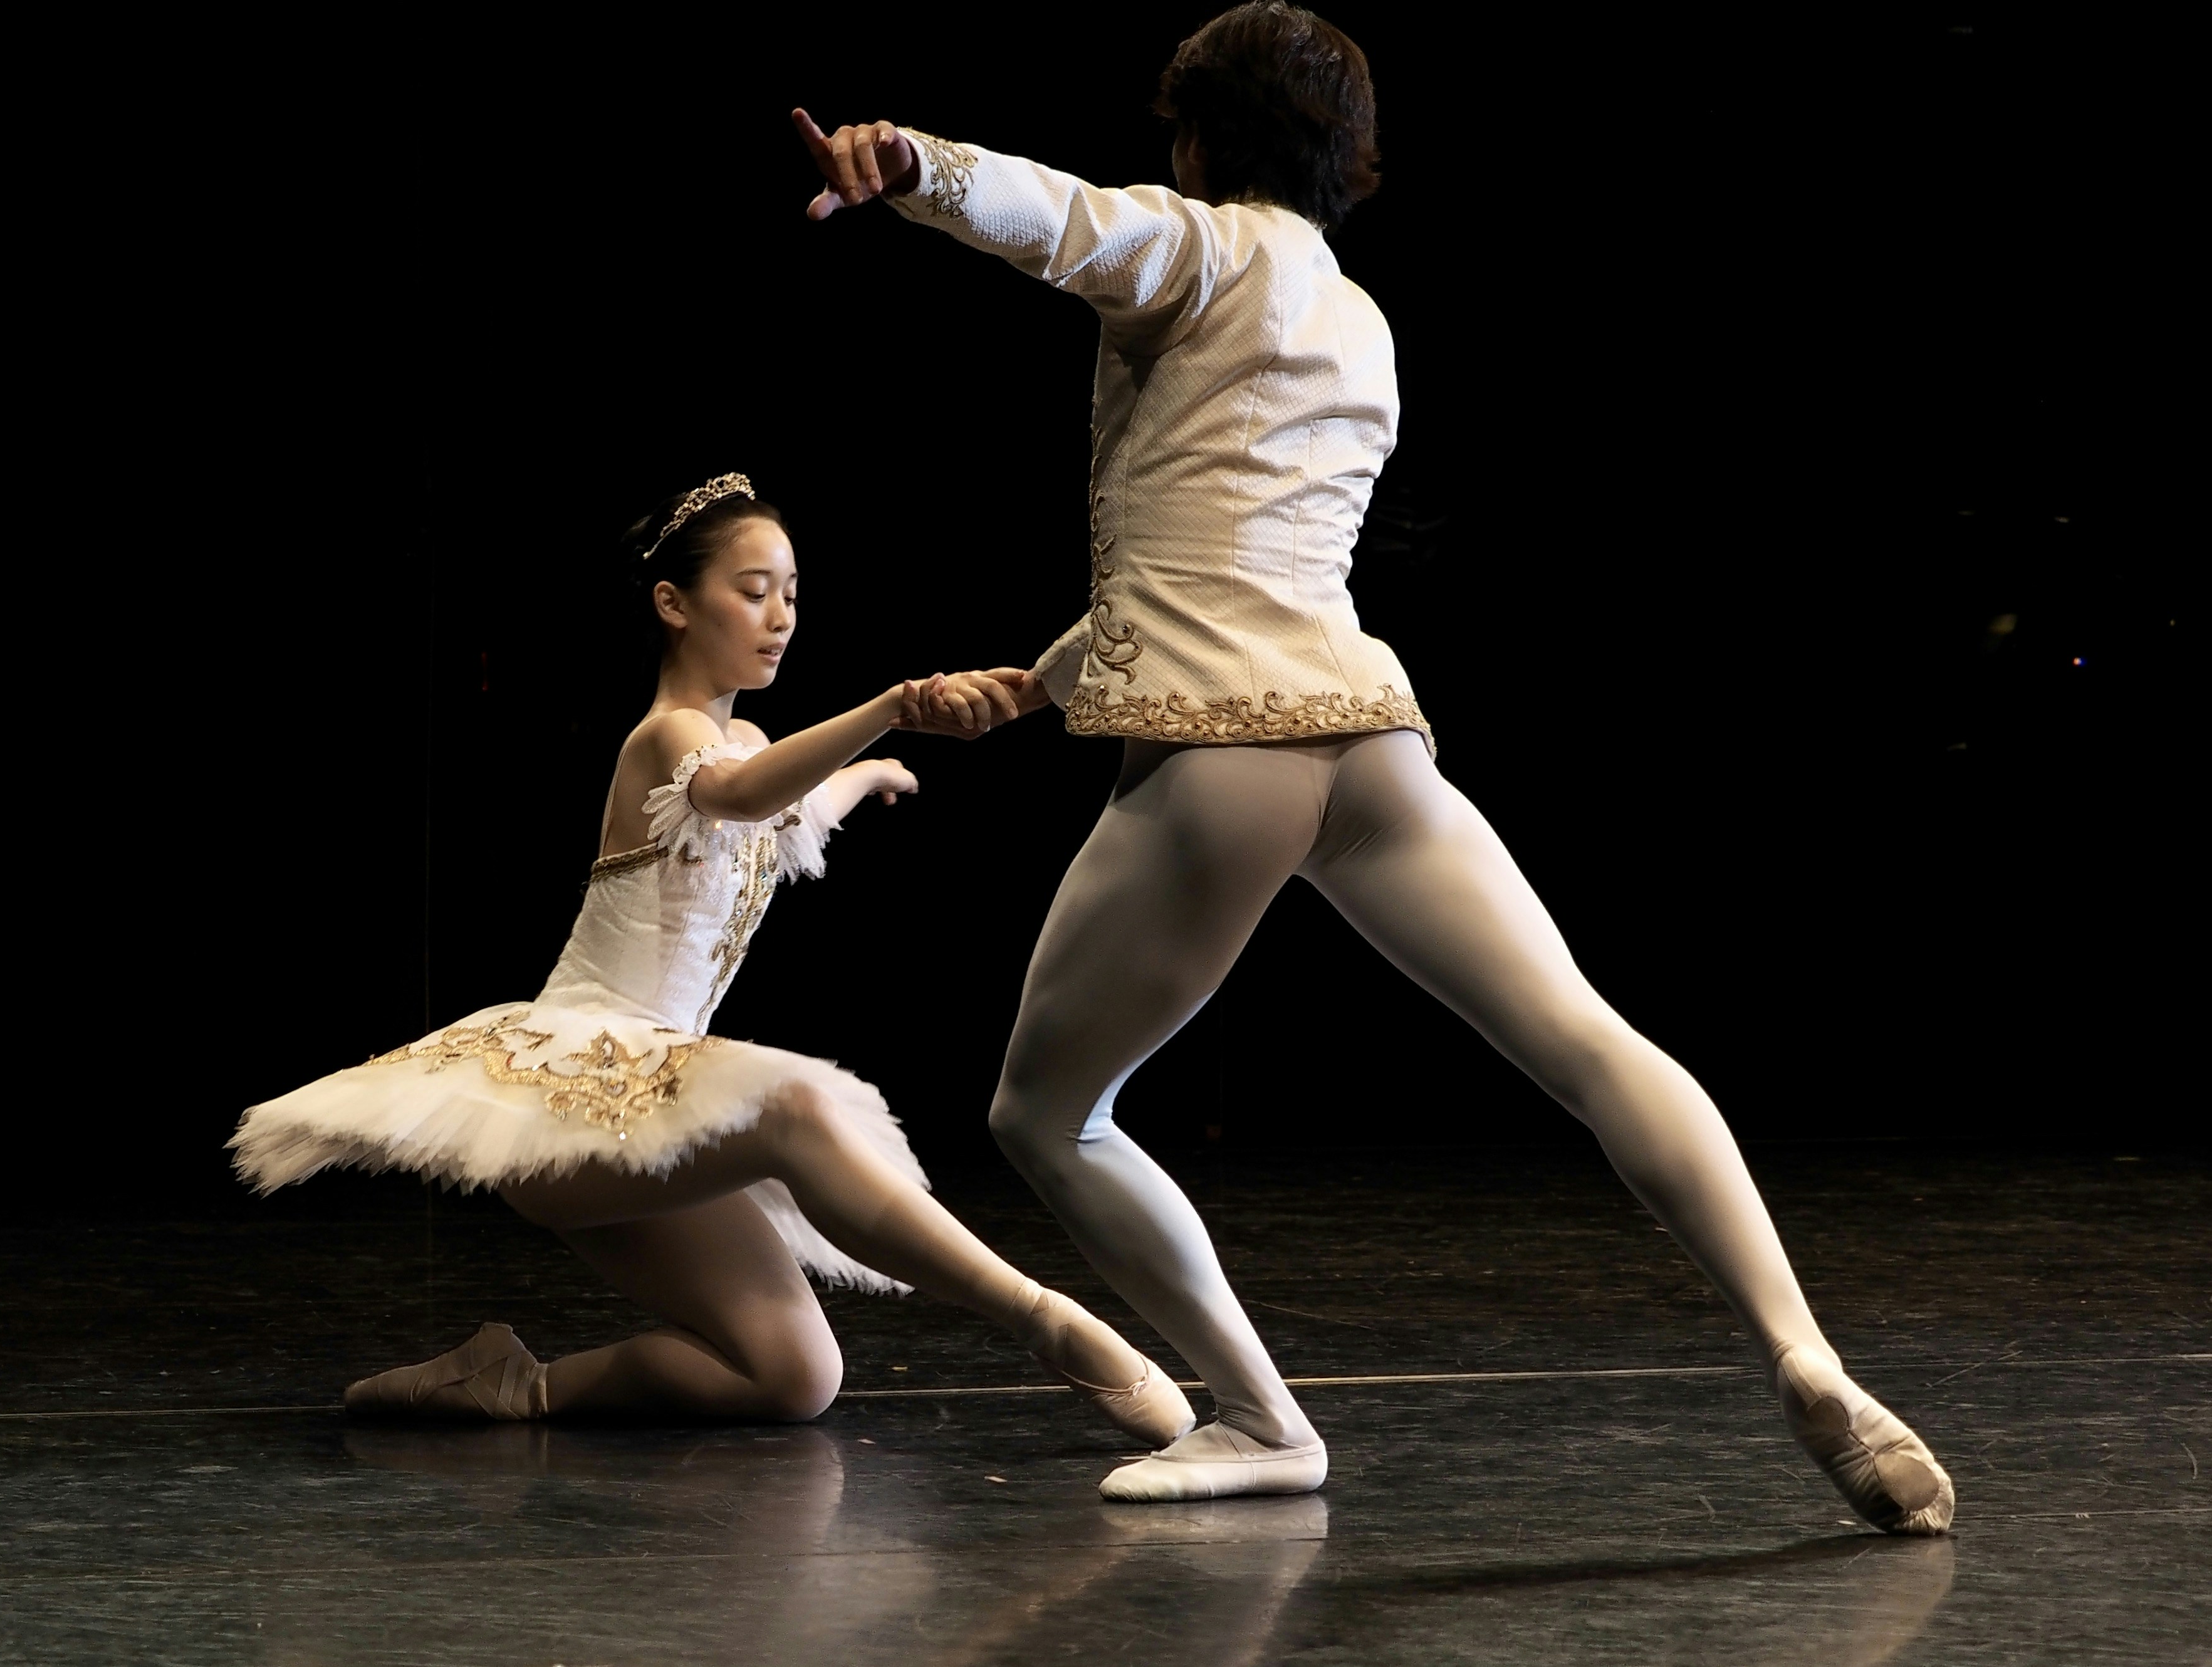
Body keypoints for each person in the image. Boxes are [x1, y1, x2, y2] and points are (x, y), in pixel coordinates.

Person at [793, 1, 1955, 1531]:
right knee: (1590, 1041)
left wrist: (909, 166)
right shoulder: (1357, 318)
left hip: (1224, 754)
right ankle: (1803, 1348)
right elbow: (1236, 556)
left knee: (1041, 1114)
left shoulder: (1198, 247)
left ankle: (1262, 1417)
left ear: (1200, 140)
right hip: (1368, 742)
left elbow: (1057, 219)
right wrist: (1042, 684)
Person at [229, 473, 1193, 1446]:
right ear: (674, 603)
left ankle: (509, 1387)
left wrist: (868, 775)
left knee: (793, 1375)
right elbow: (737, 795)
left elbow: (787, 812)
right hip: (575, 1093)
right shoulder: (669, 738)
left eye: (792, 595)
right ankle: (1051, 1322)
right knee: (796, 1106)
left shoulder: (743, 743)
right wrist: (890, 710)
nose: (780, 617)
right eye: (753, 590)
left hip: (651, 1115)